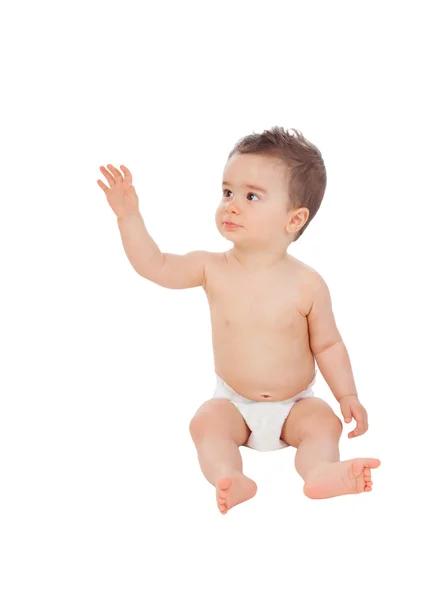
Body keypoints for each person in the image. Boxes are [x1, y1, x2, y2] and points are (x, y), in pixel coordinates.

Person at [97, 126, 381, 515]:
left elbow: (328, 345)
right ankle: (230, 477)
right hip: (232, 402)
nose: (231, 204)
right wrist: (129, 217)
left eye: (251, 196)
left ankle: (319, 471)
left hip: (296, 404)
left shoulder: (308, 283)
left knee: (323, 423)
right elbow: (156, 266)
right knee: (205, 424)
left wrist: (348, 396)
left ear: (294, 219)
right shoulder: (212, 268)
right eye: (227, 192)